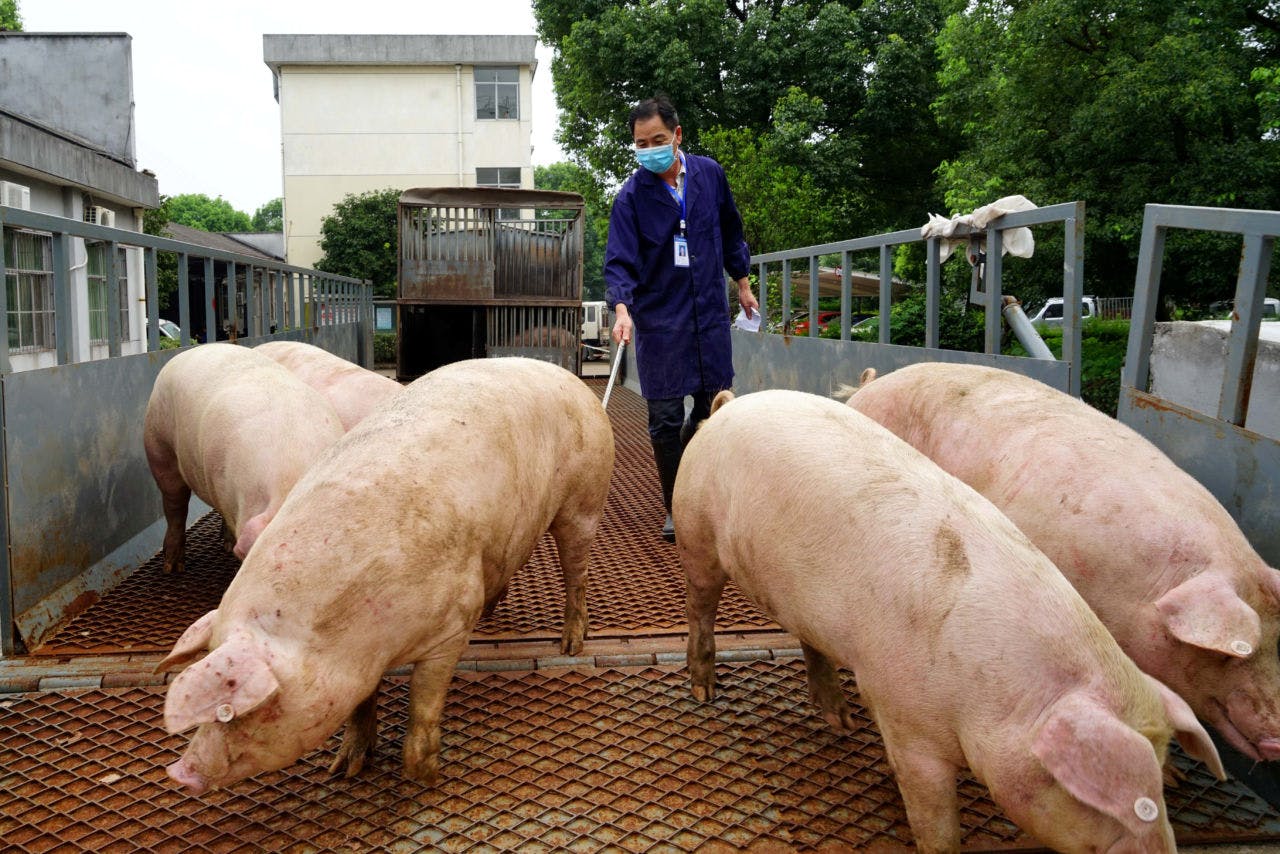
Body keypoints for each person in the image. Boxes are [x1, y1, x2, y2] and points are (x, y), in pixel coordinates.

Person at [604, 95, 759, 543]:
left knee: (713, 407)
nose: (649, 148)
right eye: (639, 143)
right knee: (665, 417)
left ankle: (702, 488)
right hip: (660, 320)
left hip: (708, 313)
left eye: (656, 139)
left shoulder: (709, 175)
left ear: (677, 135)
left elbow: (731, 230)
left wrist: (743, 284)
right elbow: (619, 261)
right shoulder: (632, 197)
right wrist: (622, 309)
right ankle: (675, 505)